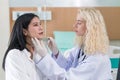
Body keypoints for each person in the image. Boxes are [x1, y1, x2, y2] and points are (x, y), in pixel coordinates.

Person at [32, 8, 113, 80]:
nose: (74, 26)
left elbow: (66, 78)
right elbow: (67, 66)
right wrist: (56, 52)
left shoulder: (97, 59)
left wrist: (45, 57)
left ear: (90, 26)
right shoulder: (81, 49)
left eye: (79, 23)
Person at [2, 13, 49, 80]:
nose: (41, 28)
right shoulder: (14, 55)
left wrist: (46, 57)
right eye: (35, 25)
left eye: (40, 24)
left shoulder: (39, 53)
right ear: (25, 31)